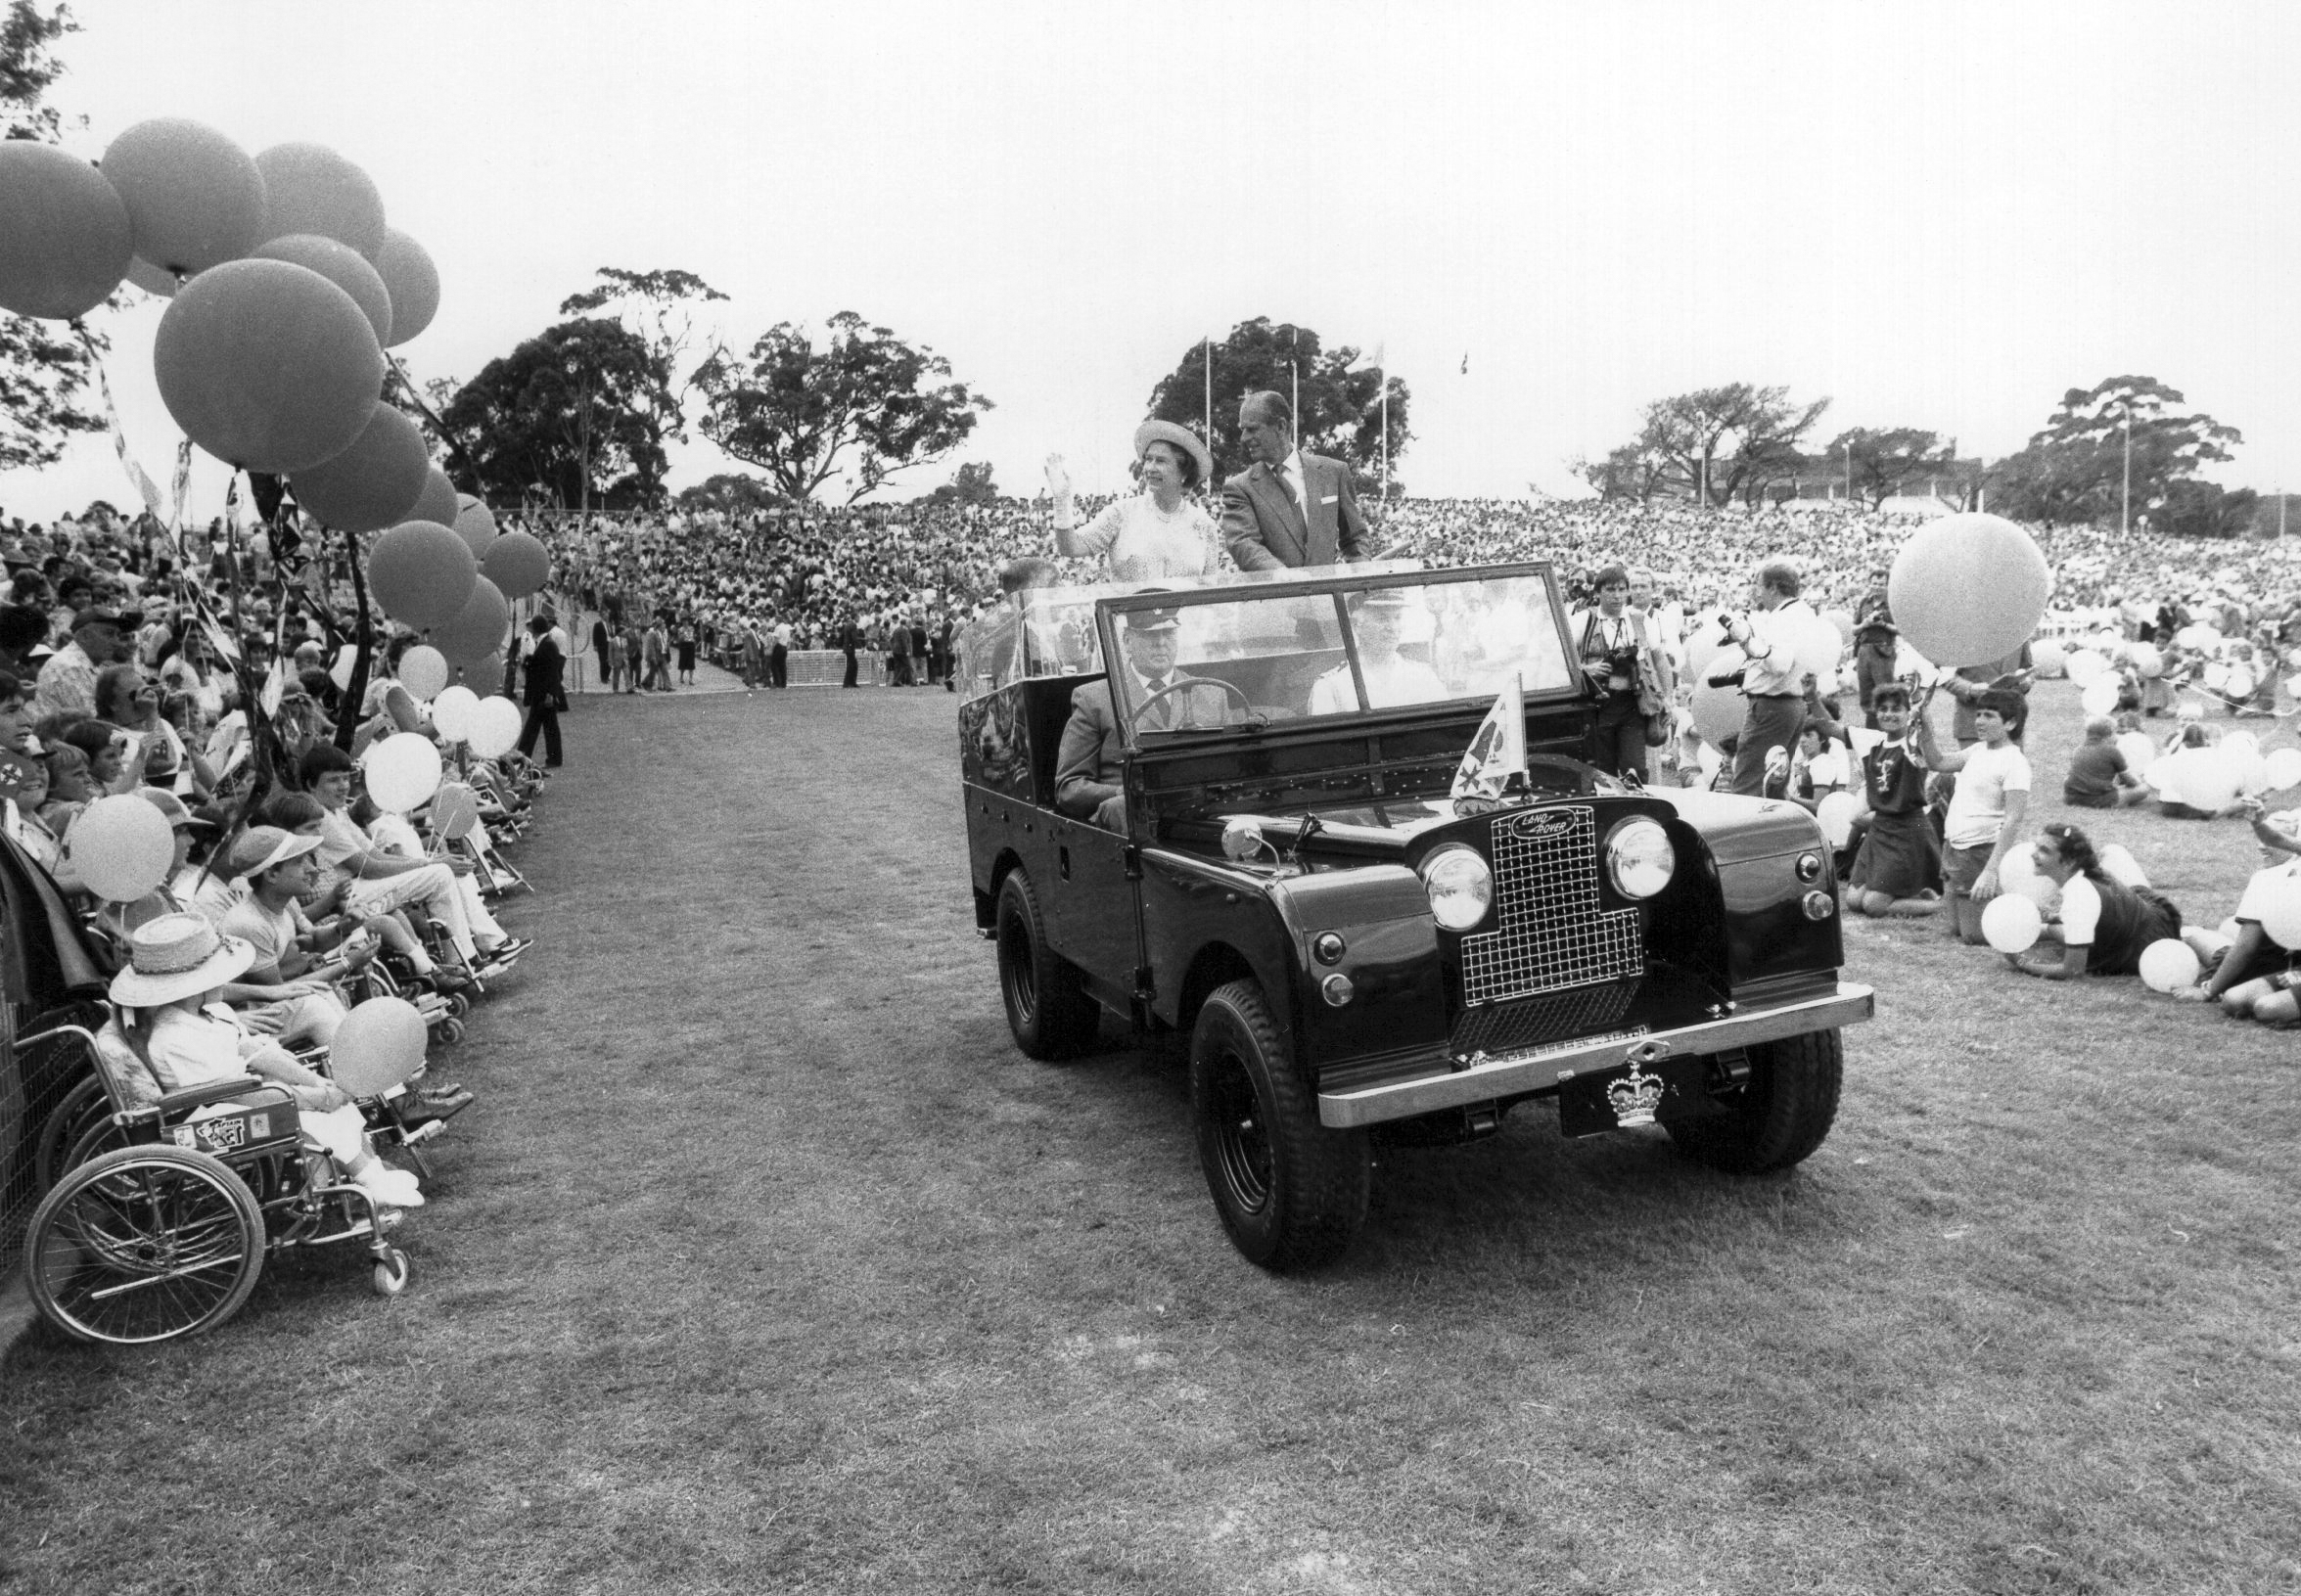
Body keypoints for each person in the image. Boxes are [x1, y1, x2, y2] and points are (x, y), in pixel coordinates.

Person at [109, 913, 422, 1209]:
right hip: (208, 1118)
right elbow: (230, 1091)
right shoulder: (173, 1038)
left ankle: (371, 1174)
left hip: (238, 1099)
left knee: (325, 1103)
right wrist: (308, 1098)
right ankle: (368, 1182)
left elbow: (254, 1051)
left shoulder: (214, 1013)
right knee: (313, 1113)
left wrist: (313, 1082)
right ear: (196, 985)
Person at [1054, 609, 1230, 830]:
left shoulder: (1212, 694)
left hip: (1204, 818)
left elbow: (1231, 769)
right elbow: (1068, 788)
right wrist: (1122, 792)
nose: (1161, 643)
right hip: (1128, 826)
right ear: (1127, 641)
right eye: (1150, 635)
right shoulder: (1096, 698)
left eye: (1169, 633)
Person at [1913, 686, 2031, 946]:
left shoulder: (2015, 762)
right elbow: (1939, 762)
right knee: (1955, 930)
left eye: (1989, 716)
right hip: (1953, 846)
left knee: (1973, 937)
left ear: (2011, 723)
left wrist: (1990, 871)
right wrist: (1924, 723)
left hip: (1978, 850)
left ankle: (2027, 916)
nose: (1979, 721)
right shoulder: (1978, 751)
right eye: (1978, 714)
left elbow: (2013, 820)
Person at [1047, 421, 1226, 581]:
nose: (1150, 468)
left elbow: (1209, 589)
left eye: (1161, 461)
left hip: (1187, 618)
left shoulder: (1204, 525)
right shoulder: (1122, 513)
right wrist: (1061, 500)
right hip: (1128, 618)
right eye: (1148, 459)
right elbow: (1071, 547)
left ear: (1184, 472)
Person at [2002, 822, 2182, 980]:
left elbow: (2073, 970)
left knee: (2112, 853)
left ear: (2069, 862)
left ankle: (2189, 937)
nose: (2032, 854)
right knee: (2112, 853)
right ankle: (2035, 929)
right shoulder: (2082, 875)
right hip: (2139, 913)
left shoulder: (2079, 895)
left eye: (2044, 850)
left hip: (2145, 941)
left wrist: (2022, 963)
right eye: (2036, 846)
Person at [1220, 391, 1370, 570]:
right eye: (1242, 430)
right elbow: (1243, 543)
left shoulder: (1334, 472)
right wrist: (1284, 578)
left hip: (1329, 597)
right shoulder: (1239, 488)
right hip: (1278, 597)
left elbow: (1355, 537)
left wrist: (1361, 571)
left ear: (1281, 426)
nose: (1244, 438)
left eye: (1252, 429)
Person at [1717, 560, 1826, 797]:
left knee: (1750, 783)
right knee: (1774, 784)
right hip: (1791, 703)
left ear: (1774, 588)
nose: (1757, 591)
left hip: (1771, 706)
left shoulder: (1784, 618)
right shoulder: (1803, 613)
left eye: (1759, 585)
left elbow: (1778, 663)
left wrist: (1746, 639)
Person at [1567, 565, 1674, 779]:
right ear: (1598, 592)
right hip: (1597, 706)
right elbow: (1558, 656)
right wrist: (1585, 669)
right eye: (1610, 590)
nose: (1617, 596)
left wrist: (1667, 698)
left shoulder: (1638, 621)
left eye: (1621, 590)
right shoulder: (1583, 621)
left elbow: (1660, 659)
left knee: (1635, 768)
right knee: (1602, 772)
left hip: (1633, 704)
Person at [1846, 683, 1940, 916]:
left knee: (1873, 906)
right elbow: (1830, 728)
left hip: (1908, 831)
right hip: (1880, 829)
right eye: (1883, 709)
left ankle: (1941, 905)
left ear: (1908, 713)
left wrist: (1922, 707)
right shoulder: (1872, 741)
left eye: (1896, 709)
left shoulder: (1913, 744)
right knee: (1854, 901)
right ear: (1876, 713)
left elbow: (1926, 733)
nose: (1889, 714)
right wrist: (1810, 698)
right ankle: (1908, 889)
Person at [1309, 589, 1450, 713]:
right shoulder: (1331, 686)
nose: (1393, 627)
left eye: (1397, 617)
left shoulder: (1422, 676)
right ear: (1357, 625)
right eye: (1382, 619)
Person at [33, 604, 134, 721]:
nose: (117, 643)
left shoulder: (88, 662)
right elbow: (91, 725)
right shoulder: (69, 666)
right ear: (85, 636)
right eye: (109, 633)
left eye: (117, 635)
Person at [2062, 717, 2148, 808]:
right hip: (2099, 799)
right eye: (2115, 732)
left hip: (2071, 798)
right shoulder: (2112, 751)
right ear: (2110, 734)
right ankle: (2119, 802)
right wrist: (2139, 781)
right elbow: (2130, 781)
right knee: (2143, 788)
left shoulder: (2078, 750)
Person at [518, 615, 565, 767]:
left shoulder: (547, 644)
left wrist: (551, 693)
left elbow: (552, 672)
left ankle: (522, 756)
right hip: (543, 692)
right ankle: (553, 758)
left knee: (534, 727)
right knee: (549, 727)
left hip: (543, 693)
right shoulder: (544, 643)